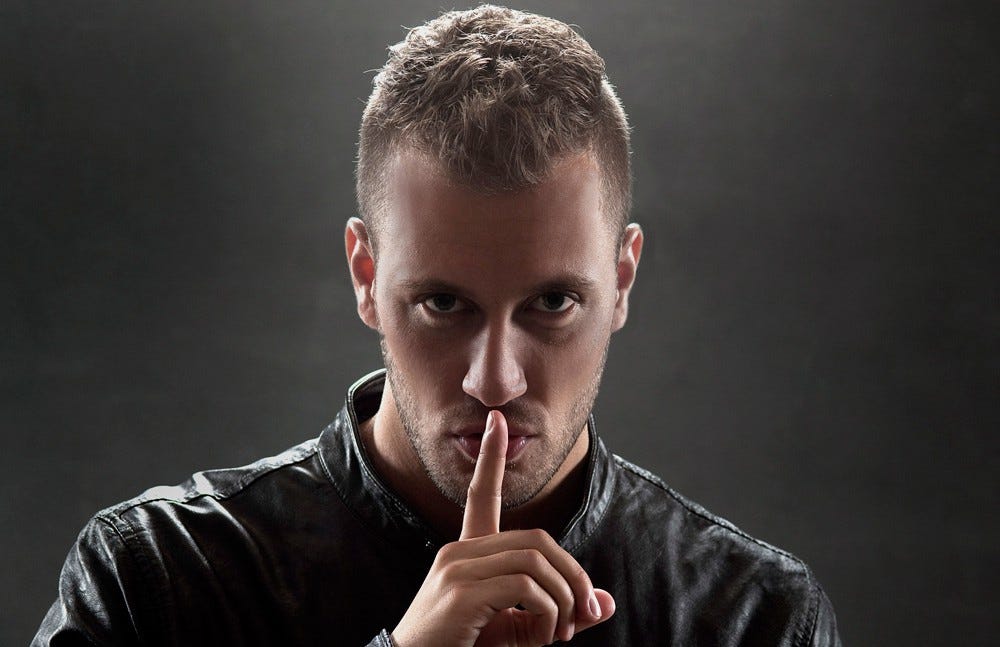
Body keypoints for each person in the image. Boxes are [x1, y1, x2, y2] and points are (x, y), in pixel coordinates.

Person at [34, 5, 841, 646]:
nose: (494, 380)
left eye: (552, 303)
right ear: (366, 275)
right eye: (445, 304)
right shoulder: (152, 580)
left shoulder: (755, 618)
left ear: (622, 280)